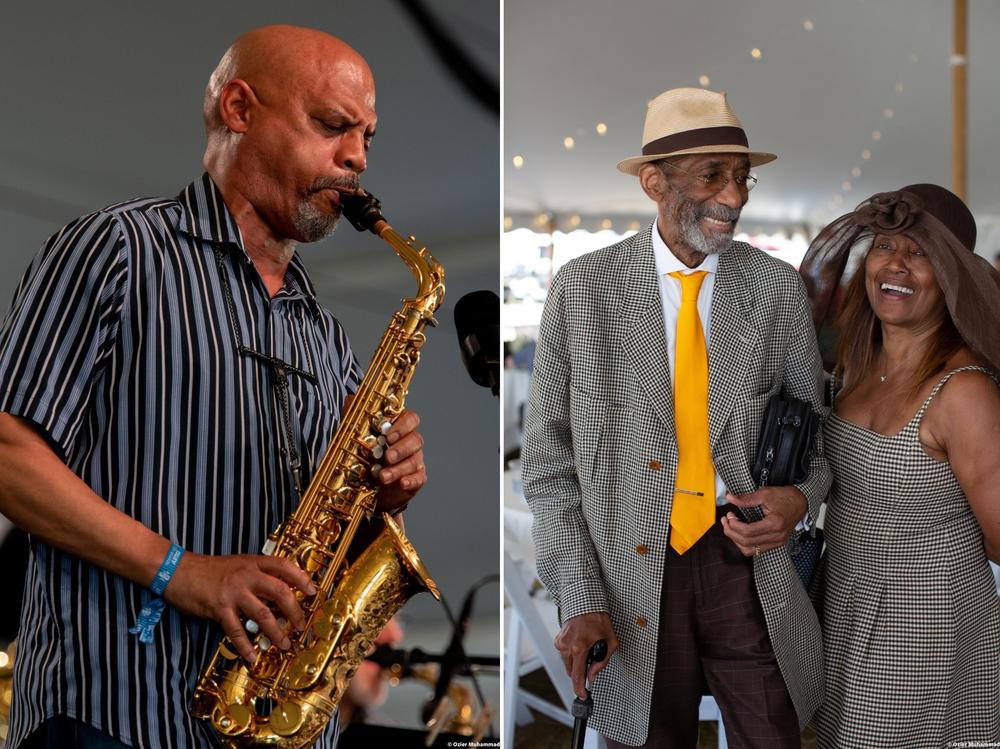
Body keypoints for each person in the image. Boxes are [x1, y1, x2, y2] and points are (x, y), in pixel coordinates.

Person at [0, 25, 428, 749]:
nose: (355, 156)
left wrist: (382, 498)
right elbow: (9, 453)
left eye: (366, 137)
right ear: (238, 108)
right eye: (332, 125)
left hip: (267, 727)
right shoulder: (118, 251)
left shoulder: (323, 332)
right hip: (116, 713)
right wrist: (182, 570)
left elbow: (328, 548)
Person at [521, 87, 832, 749]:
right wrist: (579, 593)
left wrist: (798, 497)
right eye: (713, 175)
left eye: (742, 176)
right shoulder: (582, 289)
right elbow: (549, 470)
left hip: (748, 565)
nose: (736, 195)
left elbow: (817, 437)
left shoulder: (776, 290)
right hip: (625, 570)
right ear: (653, 182)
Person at [799, 184, 1000, 748]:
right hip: (842, 603)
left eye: (921, 254)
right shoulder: (855, 365)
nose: (897, 265)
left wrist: (923, 552)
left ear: (953, 276)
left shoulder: (963, 393)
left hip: (925, 627)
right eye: (886, 246)